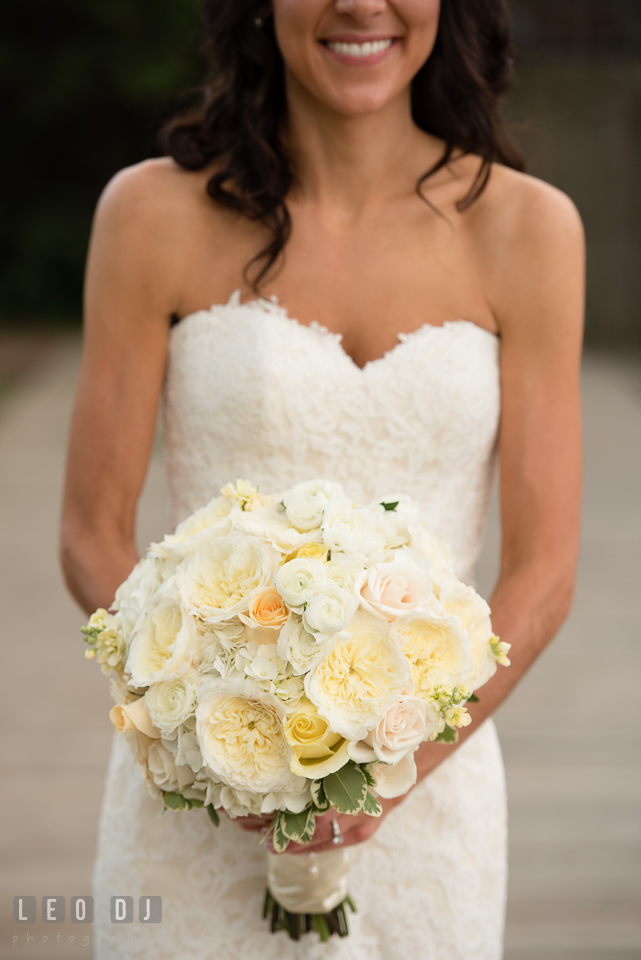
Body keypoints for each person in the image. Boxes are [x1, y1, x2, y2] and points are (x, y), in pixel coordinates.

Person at [61, 0, 584, 957]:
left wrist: (382, 771)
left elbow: (543, 571)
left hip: (434, 793)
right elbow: (92, 534)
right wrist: (218, 727)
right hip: (199, 790)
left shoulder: (529, 228)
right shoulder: (148, 215)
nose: (357, 4)